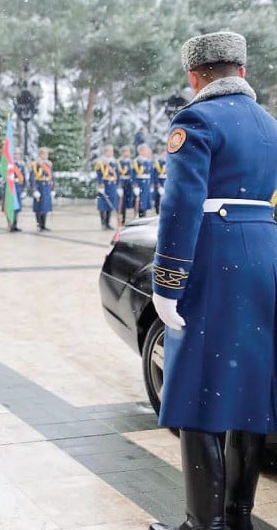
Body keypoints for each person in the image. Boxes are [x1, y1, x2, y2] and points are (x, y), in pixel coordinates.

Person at [149, 31, 277, 530]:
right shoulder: (270, 125)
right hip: (264, 260)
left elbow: (180, 206)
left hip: (215, 264)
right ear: (241, 72)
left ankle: (203, 524)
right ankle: (238, 517)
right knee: (249, 391)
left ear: (194, 77)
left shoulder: (196, 118)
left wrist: (167, 281)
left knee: (197, 394)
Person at [94, 144, 120, 230]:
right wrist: (100, 184)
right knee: (103, 205)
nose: (111, 153)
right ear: (105, 152)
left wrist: (118, 185)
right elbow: (99, 174)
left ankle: (108, 223)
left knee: (111, 204)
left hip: (112, 185)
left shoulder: (114, 162)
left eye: (112, 151)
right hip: (104, 185)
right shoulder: (100, 162)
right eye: (109, 151)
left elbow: (118, 174)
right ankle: (103, 223)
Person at [29, 146, 54, 231]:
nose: (46, 155)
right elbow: (32, 178)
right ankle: (39, 224)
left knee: (45, 207)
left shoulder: (49, 164)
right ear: (40, 154)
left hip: (47, 186)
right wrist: (34, 189)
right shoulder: (35, 164)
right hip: (39, 186)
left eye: (47, 153)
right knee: (38, 207)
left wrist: (53, 188)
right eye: (44, 153)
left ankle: (43, 225)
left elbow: (52, 177)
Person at [131, 143, 154, 217]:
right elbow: (133, 174)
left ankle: (144, 217)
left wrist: (151, 184)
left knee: (145, 202)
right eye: (146, 150)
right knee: (140, 202)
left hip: (147, 183)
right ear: (141, 151)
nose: (147, 152)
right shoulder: (136, 161)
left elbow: (151, 173)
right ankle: (139, 217)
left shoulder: (149, 161)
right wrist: (135, 186)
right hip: (140, 183)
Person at [8, 148, 27, 232]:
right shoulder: (9, 164)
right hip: (10, 187)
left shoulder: (21, 165)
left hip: (18, 187)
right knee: (10, 207)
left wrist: (24, 189)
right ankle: (10, 225)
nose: (17, 155)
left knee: (17, 207)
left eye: (18, 154)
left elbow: (23, 177)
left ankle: (15, 225)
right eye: (15, 154)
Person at [117, 145, 134, 225]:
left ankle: (127, 219)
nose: (126, 153)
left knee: (128, 202)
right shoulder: (119, 162)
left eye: (128, 152)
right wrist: (119, 186)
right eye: (125, 152)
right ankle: (121, 219)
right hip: (122, 182)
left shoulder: (130, 162)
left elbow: (133, 174)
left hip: (129, 183)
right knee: (121, 203)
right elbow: (117, 174)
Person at [152, 145, 167, 214]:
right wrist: (158, 184)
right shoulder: (158, 162)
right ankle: (157, 212)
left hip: (167, 181)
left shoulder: (170, 161)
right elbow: (155, 174)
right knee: (158, 198)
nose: (165, 154)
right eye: (164, 152)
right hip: (160, 182)